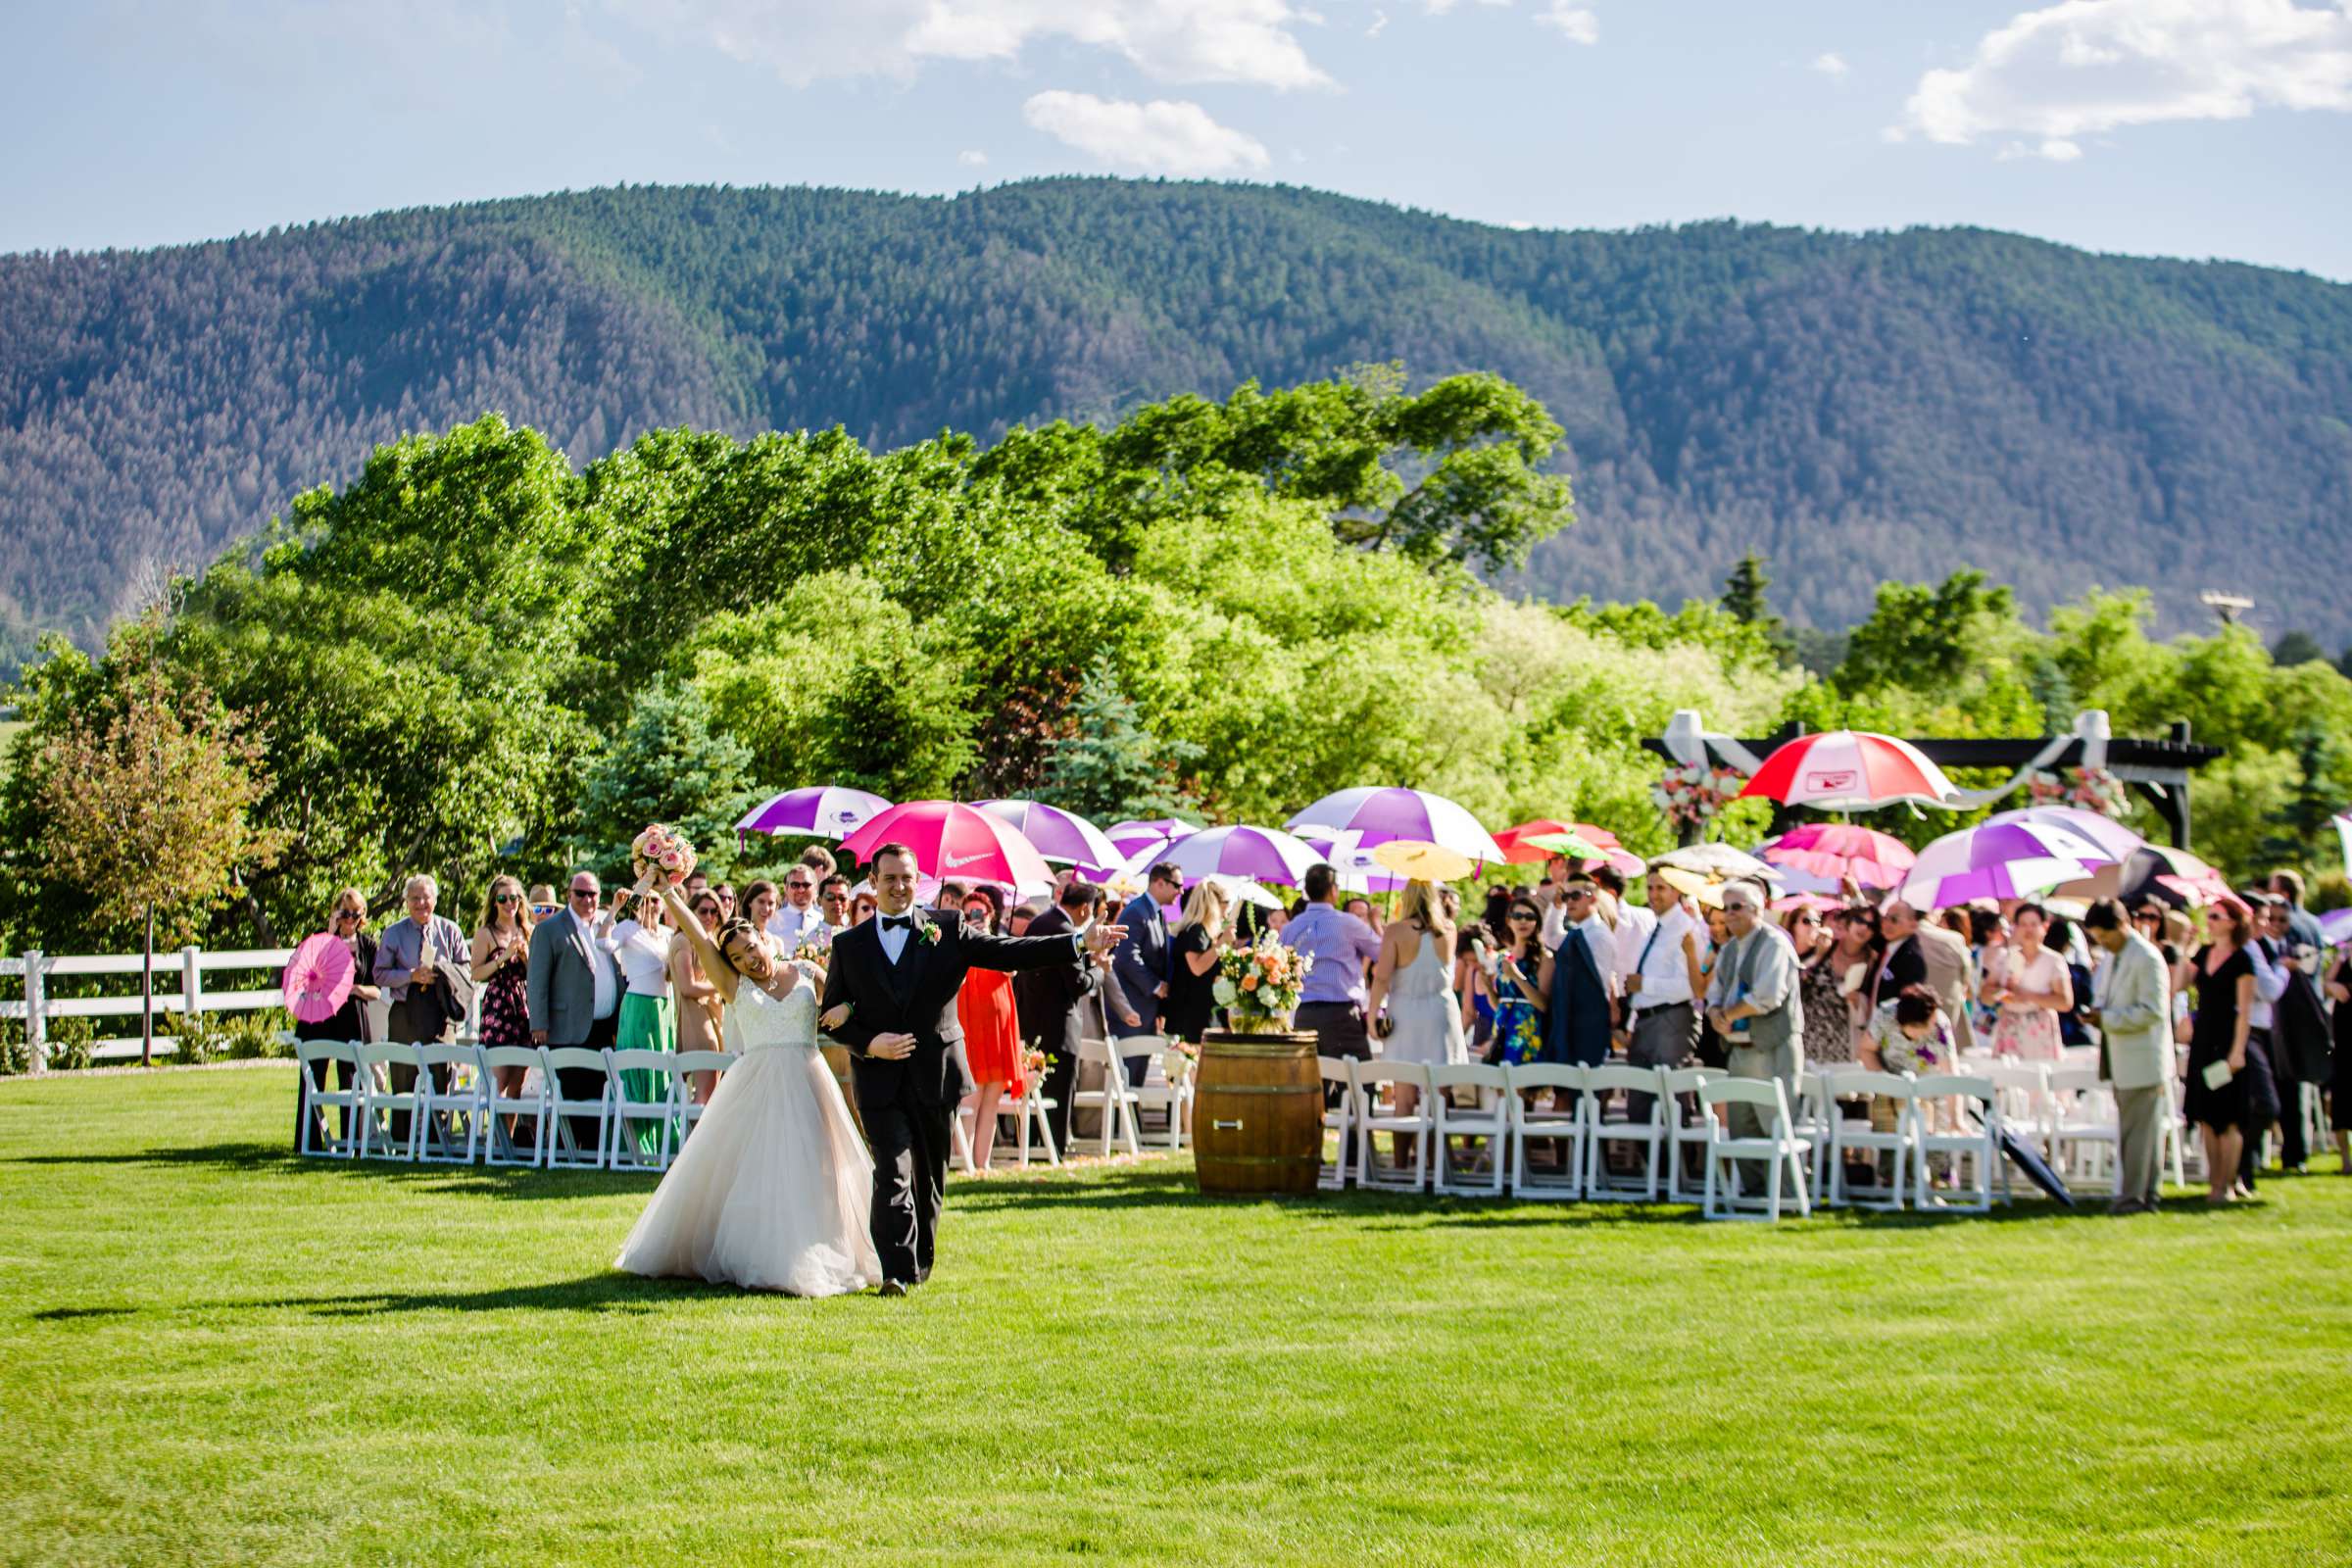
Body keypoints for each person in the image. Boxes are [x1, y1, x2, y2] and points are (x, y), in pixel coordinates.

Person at [819, 843, 1122, 1293]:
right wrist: (869, 1043)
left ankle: (919, 1261)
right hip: (879, 1079)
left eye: (906, 877)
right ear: (873, 884)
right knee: (892, 1171)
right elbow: (833, 1016)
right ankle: (896, 1272)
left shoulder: (947, 928)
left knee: (929, 1178)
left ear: (917, 879)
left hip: (936, 1072)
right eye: (889, 879)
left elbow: (1011, 952)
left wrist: (1078, 941)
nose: (899, 887)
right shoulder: (849, 946)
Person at [615, 877, 881, 1297]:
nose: (749, 960)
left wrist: (845, 1009)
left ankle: (814, 1247)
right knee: (760, 1167)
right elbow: (701, 938)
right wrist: (669, 892)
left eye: (750, 949)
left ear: (763, 936)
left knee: (816, 1165)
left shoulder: (807, 970)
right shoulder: (735, 986)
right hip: (756, 1083)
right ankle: (763, 1253)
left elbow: (849, 1000)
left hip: (809, 1077)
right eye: (737, 958)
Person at [1705, 880, 1806, 1181]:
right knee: (1741, 1127)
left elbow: (1767, 995)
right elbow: (1714, 994)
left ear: (1758, 909)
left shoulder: (1774, 943)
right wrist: (1713, 1014)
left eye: (1737, 907)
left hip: (1771, 1047)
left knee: (1776, 1125)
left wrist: (1728, 1013)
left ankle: (1785, 1197)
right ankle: (1749, 1196)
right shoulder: (1729, 949)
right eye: (1726, 907)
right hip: (1737, 1048)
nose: (1729, 914)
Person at [1012, 877, 1120, 1153]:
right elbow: (1079, 983)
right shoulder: (1065, 931)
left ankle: (1033, 1146)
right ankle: (1055, 1149)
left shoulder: (1040, 922)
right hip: (1059, 1026)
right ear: (1085, 908)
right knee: (1059, 1092)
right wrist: (1100, 970)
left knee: (1036, 1090)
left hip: (1031, 1021)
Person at [2080, 897, 2174, 1214]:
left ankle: (2136, 1197)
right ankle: (2140, 1195)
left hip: (2144, 1058)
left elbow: (2153, 1011)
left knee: (2141, 1135)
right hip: (2119, 1057)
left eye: (2105, 936)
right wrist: (2097, 1014)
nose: (2102, 943)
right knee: (2133, 1132)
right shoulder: (2112, 958)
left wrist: (2108, 1019)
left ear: (2122, 925)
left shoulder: (2146, 957)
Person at [372, 874, 474, 1145]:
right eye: (415, 898)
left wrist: (441, 970)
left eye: (425, 897)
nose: (421, 903)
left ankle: (436, 1144)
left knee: (441, 1076)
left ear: (435, 899)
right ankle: (402, 1142)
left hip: (440, 1013)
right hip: (405, 1011)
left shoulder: (450, 931)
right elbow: (380, 974)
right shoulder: (394, 933)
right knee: (403, 1077)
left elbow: (467, 971)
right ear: (406, 902)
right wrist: (411, 975)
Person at [526, 869, 625, 1151]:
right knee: (570, 1096)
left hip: (604, 1027)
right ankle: (565, 1152)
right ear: (569, 894)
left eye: (592, 893)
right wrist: (539, 1023)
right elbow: (536, 980)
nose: (587, 899)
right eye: (580, 893)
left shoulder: (605, 927)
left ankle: (594, 1153)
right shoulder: (549, 929)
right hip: (566, 1027)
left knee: (598, 1093)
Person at [1366, 880, 1466, 1119]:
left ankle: (1403, 1157)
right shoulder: (1450, 929)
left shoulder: (1396, 931)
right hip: (1441, 1011)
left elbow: (1381, 978)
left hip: (1406, 1011)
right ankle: (1435, 1156)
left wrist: (1372, 1018)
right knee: (1438, 1095)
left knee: (1405, 1096)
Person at [1282, 864, 1384, 1097]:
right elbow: (1382, 954)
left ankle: (1311, 1132)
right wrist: (1377, 923)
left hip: (1304, 1013)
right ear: (1333, 890)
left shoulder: (1290, 928)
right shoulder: (1349, 923)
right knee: (1360, 1083)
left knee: (1310, 1088)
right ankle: (1357, 1132)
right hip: (1341, 1013)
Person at [2184, 898, 2260, 1203]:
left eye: (2216, 916)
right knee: (2205, 1116)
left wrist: (2238, 1051)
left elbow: (2245, 1010)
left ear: (2232, 922)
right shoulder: (2202, 953)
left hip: (2228, 1039)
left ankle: (2227, 1184)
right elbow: (2179, 984)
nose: (2210, 921)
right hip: (2203, 1039)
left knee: (2227, 1117)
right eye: (2209, 916)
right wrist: (2187, 948)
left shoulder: (2243, 960)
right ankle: (2213, 1183)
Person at [292, 888, 380, 1149]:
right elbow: (305, 973)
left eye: (355, 913)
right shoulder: (320, 940)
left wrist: (357, 989)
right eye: (345, 913)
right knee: (312, 1075)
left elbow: (376, 989)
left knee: (351, 1078)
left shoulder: (368, 946)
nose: (350, 919)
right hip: (321, 1015)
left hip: (352, 1015)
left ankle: (351, 1140)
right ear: (335, 913)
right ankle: (308, 1141)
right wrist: (330, 936)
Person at [1625, 874, 1706, 1124]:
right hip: (1644, 1022)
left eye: (1661, 888)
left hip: (1671, 1021)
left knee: (1672, 1104)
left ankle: (1678, 1163)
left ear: (1676, 892)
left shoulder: (1686, 929)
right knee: (1639, 1105)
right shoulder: (1655, 927)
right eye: (1650, 888)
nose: (1653, 894)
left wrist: (1644, 984)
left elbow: (1689, 988)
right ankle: (1649, 1163)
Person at [956, 885, 1025, 1173]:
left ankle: (982, 1162)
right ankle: (965, 1161)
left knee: (992, 1099)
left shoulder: (999, 942)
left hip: (999, 1023)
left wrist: (990, 938)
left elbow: (1012, 969)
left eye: (981, 912)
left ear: (991, 915)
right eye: (970, 911)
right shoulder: (959, 943)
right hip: (971, 1022)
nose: (976, 916)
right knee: (972, 1096)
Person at [610, 891, 677, 1158]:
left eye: (656, 899)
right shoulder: (628, 929)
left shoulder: (667, 934)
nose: (650, 905)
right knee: (637, 1068)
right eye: (645, 899)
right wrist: (615, 910)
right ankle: (634, 1143)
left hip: (663, 1008)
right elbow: (604, 943)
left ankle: (662, 1141)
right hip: (638, 1004)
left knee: (662, 1070)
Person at [1536, 875, 1617, 1079]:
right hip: (1572, 1015)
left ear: (1593, 899)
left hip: (1589, 1018)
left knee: (1585, 1082)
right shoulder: (1578, 932)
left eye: (1575, 895)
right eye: (1567, 896)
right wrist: (1556, 907)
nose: (1569, 901)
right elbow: (1552, 938)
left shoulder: (1599, 934)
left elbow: (1601, 982)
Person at [1878, 897, 1977, 1054]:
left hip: (1909, 1027)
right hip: (1947, 1023)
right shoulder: (1954, 939)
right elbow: (1967, 982)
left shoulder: (1903, 937)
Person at [468, 875, 534, 1113]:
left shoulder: (529, 930)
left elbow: (535, 974)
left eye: (514, 898)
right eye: (503, 898)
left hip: (523, 1005)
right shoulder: (486, 934)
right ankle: (491, 1145)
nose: (509, 903)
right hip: (498, 1006)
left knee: (517, 1086)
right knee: (498, 1082)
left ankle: (507, 1144)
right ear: (494, 902)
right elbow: (476, 973)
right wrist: (503, 958)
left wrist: (526, 958)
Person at [1112, 862, 1181, 1084]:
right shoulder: (1136, 912)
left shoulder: (1155, 912)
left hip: (1146, 1008)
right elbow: (1126, 956)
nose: (1180, 891)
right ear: (1160, 883)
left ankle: (1132, 1119)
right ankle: (1123, 1119)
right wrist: (1155, 986)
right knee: (1128, 1074)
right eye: (1177, 885)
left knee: (1137, 1074)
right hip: (1133, 1006)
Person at [1983, 903, 2072, 1061]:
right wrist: (2002, 994)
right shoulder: (2005, 957)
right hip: (2010, 1026)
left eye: (2033, 924)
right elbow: (1985, 996)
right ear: (2015, 927)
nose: (2028, 930)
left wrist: (2028, 996)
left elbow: (2065, 1002)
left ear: (2044, 926)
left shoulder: (2053, 960)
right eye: (2023, 924)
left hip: (2040, 1029)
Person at [670, 886, 726, 1102]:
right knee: (704, 1096)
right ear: (690, 911)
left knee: (714, 1093)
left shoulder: (709, 940)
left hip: (713, 1016)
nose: (710, 916)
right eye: (703, 911)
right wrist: (723, 984)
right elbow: (688, 987)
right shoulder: (683, 940)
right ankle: (695, 1137)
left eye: (715, 912)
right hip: (696, 1021)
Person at [1481, 897, 1549, 1067]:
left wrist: (1517, 976)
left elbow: (1543, 1005)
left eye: (1529, 917)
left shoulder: (1544, 957)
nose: (1523, 921)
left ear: (1537, 922)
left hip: (1528, 1030)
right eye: (1517, 916)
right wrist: (1488, 987)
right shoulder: (1503, 956)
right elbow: (1500, 1004)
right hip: (1502, 1029)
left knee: (1524, 1088)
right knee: (1499, 1086)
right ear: (1509, 921)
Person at [1162, 880, 1231, 1044]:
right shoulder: (1195, 930)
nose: (1226, 912)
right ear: (1214, 904)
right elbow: (1197, 967)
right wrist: (1221, 943)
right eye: (1226, 905)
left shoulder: (1204, 931)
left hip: (1200, 1012)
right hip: (1191, 1015)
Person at [1787, 906, 1852, 1069]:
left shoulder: (1827, 954)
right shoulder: (1783, 952)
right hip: (1789, 1029)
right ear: (1793, 925)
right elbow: (1791, 982)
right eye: (1806, 921)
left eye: (1817, 921)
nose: (1813, 926)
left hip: (1818, 1036)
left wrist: (1820, 955)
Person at [2327, 946, 2352, 1175]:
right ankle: (2346, 1161)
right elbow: (2325, 985)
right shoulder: (2342, 963)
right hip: (2343, 1046)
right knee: (2341, 1102)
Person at [766, 864, 830, 954]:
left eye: (806, 885)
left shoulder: (824, 919)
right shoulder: (771, 921)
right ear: (786, 888)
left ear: (815, 888)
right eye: (795, 885)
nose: (801, 890)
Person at [2270, 868, 2324, 953]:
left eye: (2271, 891)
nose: (2267, 896)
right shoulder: (2315, 921)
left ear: (2284, 895)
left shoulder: (2283, 922)